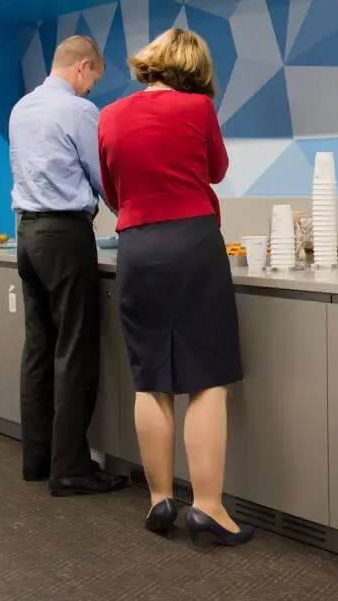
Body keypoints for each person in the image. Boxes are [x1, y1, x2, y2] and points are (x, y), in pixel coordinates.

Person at [98, 28, 253, 546]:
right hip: (192, 243)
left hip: (136, 247)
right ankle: (208, 507)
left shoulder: (110, 115)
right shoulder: (196, 110)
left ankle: (159, 499)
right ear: (195, 70)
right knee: (206, 379)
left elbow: (113, 190)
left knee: (150, 378)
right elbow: (217, 169)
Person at [9, 35, 127, 497]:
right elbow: (101, 176)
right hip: (64, 235)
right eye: (91, 81)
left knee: (38, 347)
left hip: (27, 234)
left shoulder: (22, 108)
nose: (89, 91)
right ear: (81, 67)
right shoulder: (79, 112)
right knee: (75, 350)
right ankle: (72, 468)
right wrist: (128, 211)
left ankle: (37, 460)